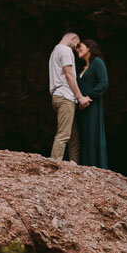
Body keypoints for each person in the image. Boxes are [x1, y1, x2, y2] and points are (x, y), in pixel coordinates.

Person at [48, 32, 91, 162]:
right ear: (72, 38)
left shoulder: (55, 51)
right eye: (76, 44)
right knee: (63, 135)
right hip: (65, 96)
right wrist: (80, 97)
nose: (76, 48)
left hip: (57, 96)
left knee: (73, 139)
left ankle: (74, 167)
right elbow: (69, 75)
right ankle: (53, 164)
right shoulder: (65, 50)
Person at [75, 39, 109, 168]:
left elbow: (103, 83)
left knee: (92, 133)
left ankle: (96, 167)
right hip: (81, 107)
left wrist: (89, 97)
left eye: (80, 46)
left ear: (89, 48)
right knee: (83, 135)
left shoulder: (97, 63)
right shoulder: (83, 68)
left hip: (92, 105)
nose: (77, 49)